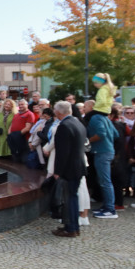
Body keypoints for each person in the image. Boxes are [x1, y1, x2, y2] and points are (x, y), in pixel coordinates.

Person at [50, 101, 87, 238]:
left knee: (69, 198)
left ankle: (71, 228)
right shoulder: (77, 123)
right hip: (78, 166)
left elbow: (62, 152)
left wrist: (57, 171)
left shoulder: (64, 126)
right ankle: (73, 226)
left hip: (69, 169)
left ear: (58, 112)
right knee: (73, 197)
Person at [87, 105, 118, 219]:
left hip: (101, 152)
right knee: (104, 181)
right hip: (107, 151)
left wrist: (88, 140)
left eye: (86, 106)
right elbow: (116, 134)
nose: (84, 108)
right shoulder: (105, 118)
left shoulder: (96, 117)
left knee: (105, 181)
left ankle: (110, 209)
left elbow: (101, 134)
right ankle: (106, 206)